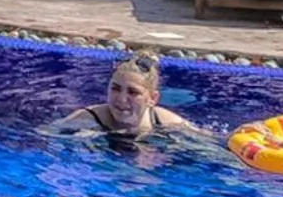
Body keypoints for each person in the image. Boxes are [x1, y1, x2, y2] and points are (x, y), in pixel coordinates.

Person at [59, 54, 192, 138]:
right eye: (115, 89)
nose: (122, 99)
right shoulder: (87, 119)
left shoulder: (165, 122)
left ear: (152, 99)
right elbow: (46, 136)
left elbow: (209, 146)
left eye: (133, 92)